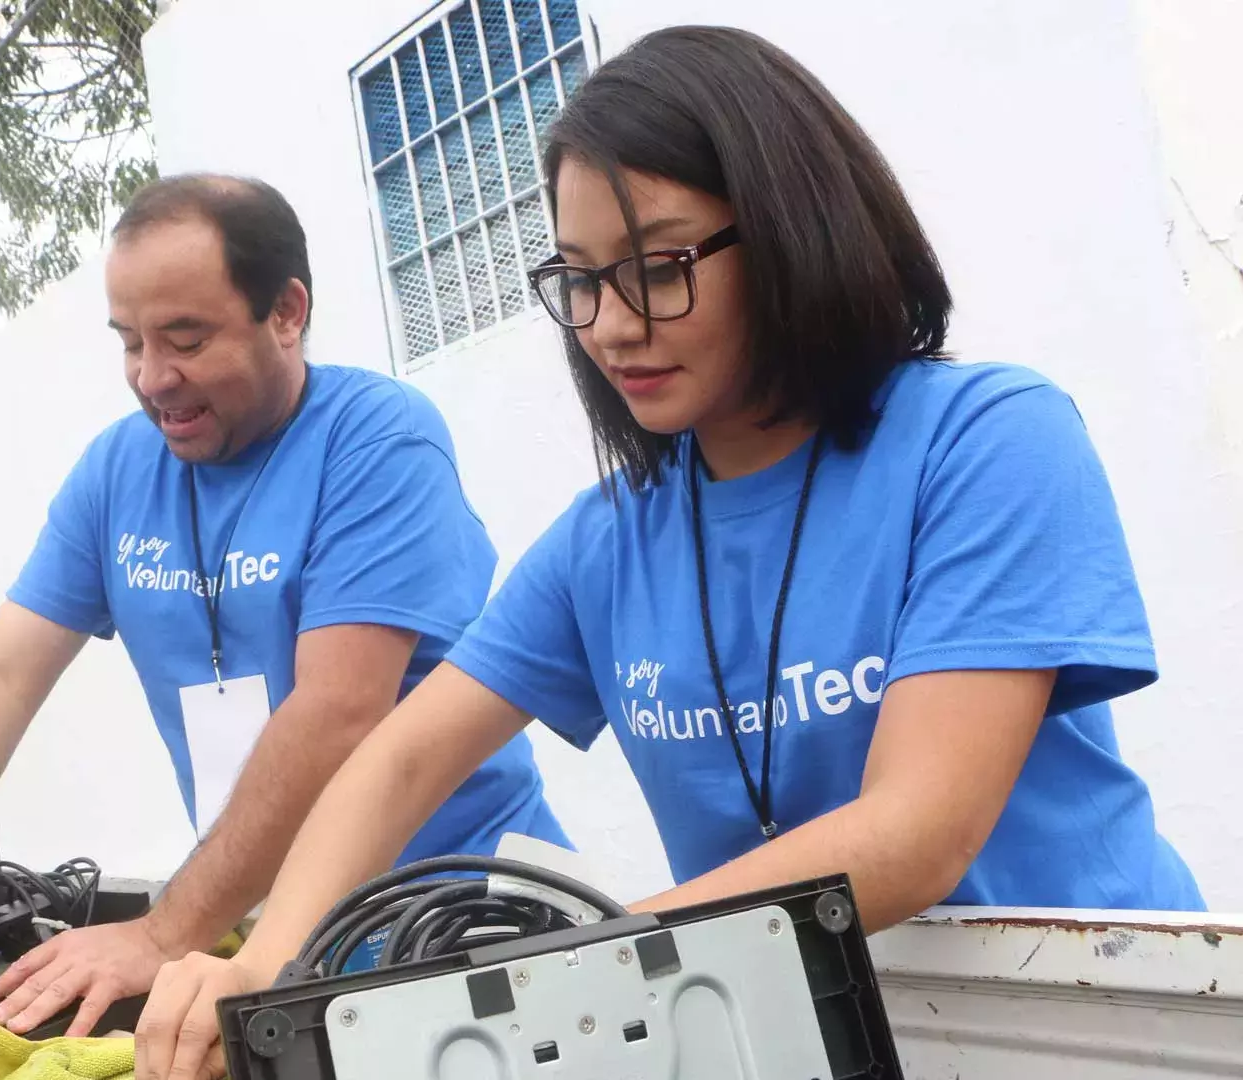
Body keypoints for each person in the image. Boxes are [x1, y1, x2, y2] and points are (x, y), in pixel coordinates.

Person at [134, 25, 1205, 1080]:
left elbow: (917, 831)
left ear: (791, 225)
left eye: (658, 265)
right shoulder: (611, 539)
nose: (608, 325)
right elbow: (402, 755)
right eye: (581, 278)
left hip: (1088, 1022)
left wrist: (559, 973)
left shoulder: (985, 441)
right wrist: (268, 969)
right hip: (795, 1033)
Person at [0, 173, 569, 1042]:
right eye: (130, 342)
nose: (153, 379)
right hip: (274, 934)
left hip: (460, 923)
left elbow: (339, 713)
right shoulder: (118, 470)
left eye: (186, 339)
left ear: (286, 311)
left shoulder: (380, 440)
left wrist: (166, 932)